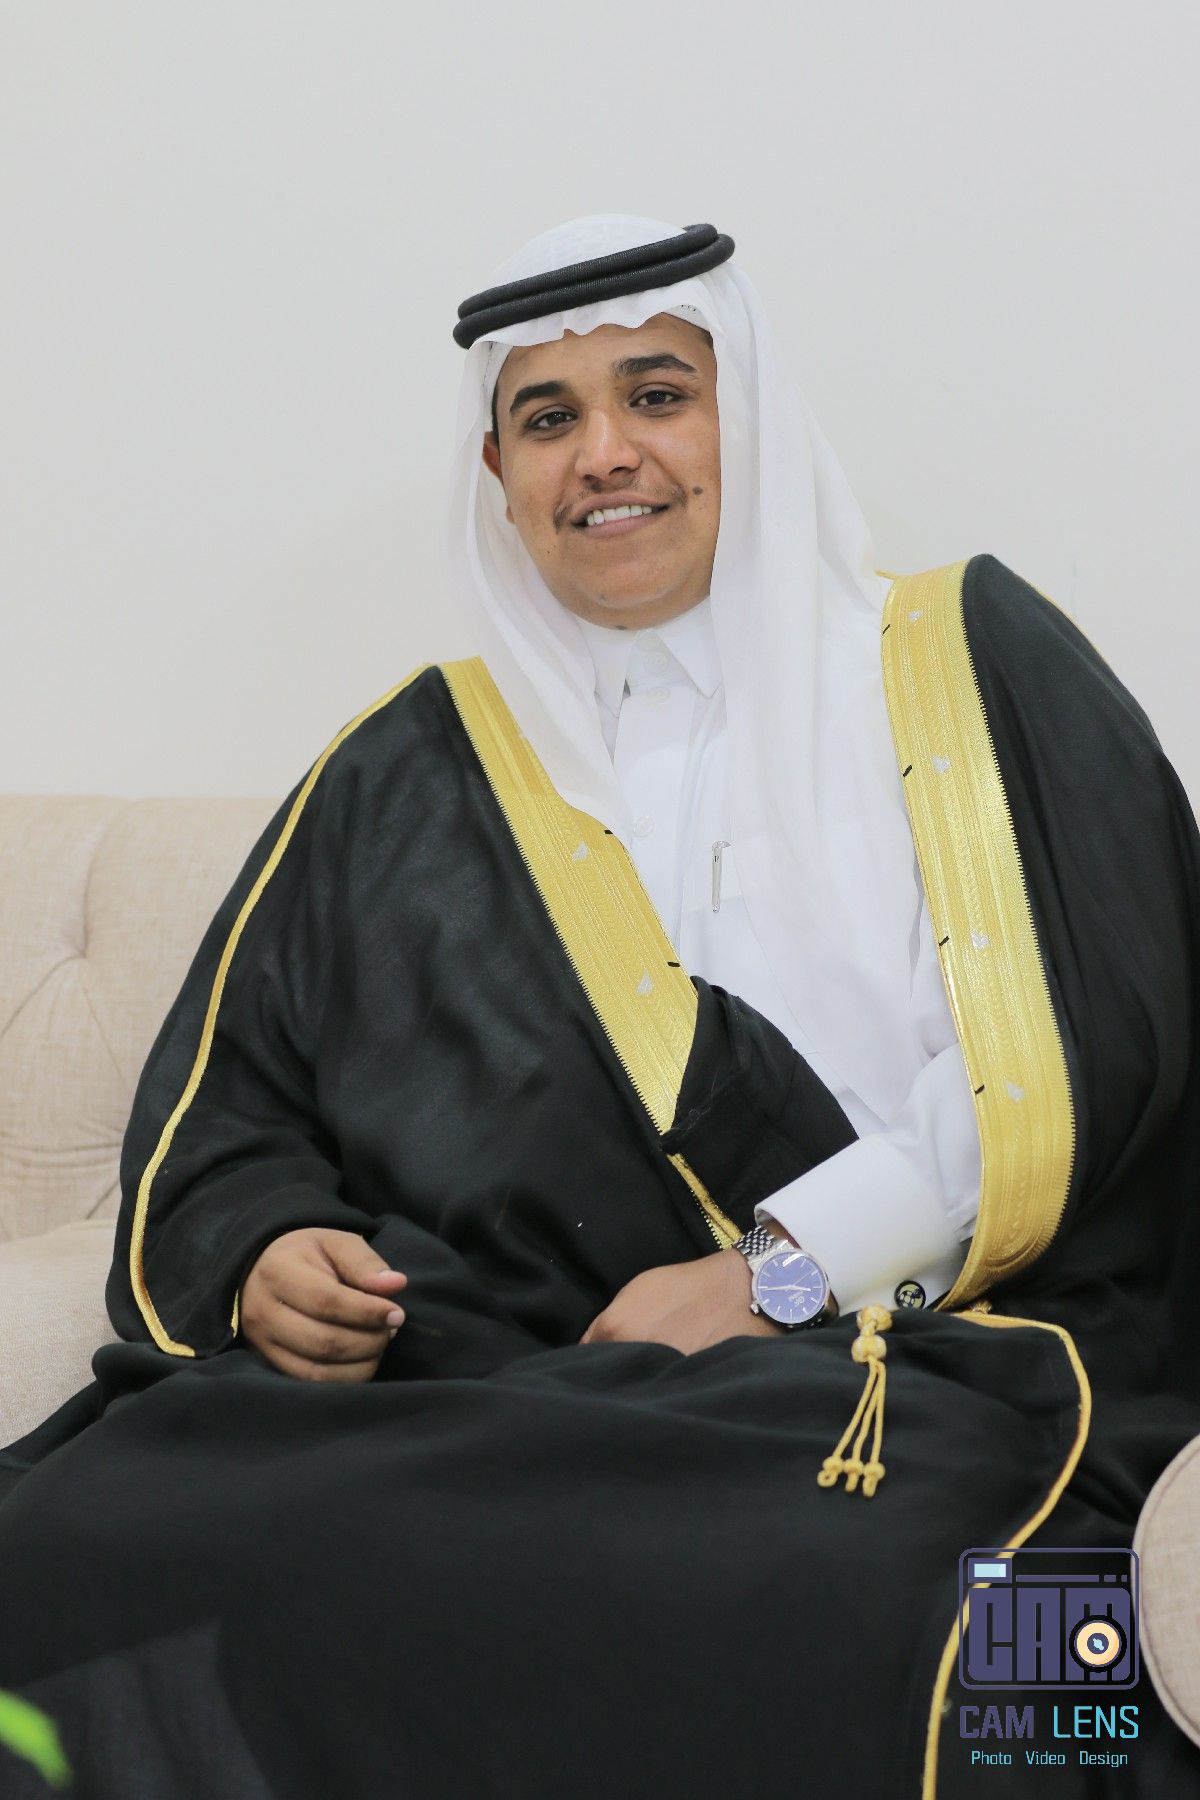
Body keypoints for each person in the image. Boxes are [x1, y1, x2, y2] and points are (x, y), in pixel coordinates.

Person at [0, 214, 1198, 1799]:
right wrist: (267, 1251)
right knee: (85, 1530)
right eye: (550, 417)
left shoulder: (969, 662)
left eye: (658, 394)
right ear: (498, 471)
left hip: (908, 1351)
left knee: (886, 1615)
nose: (606, 453)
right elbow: (234, 1106)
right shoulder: (409, 765)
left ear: (744, 416)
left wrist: (773, 1275)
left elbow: (1086, 1053)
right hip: (497, 1359)